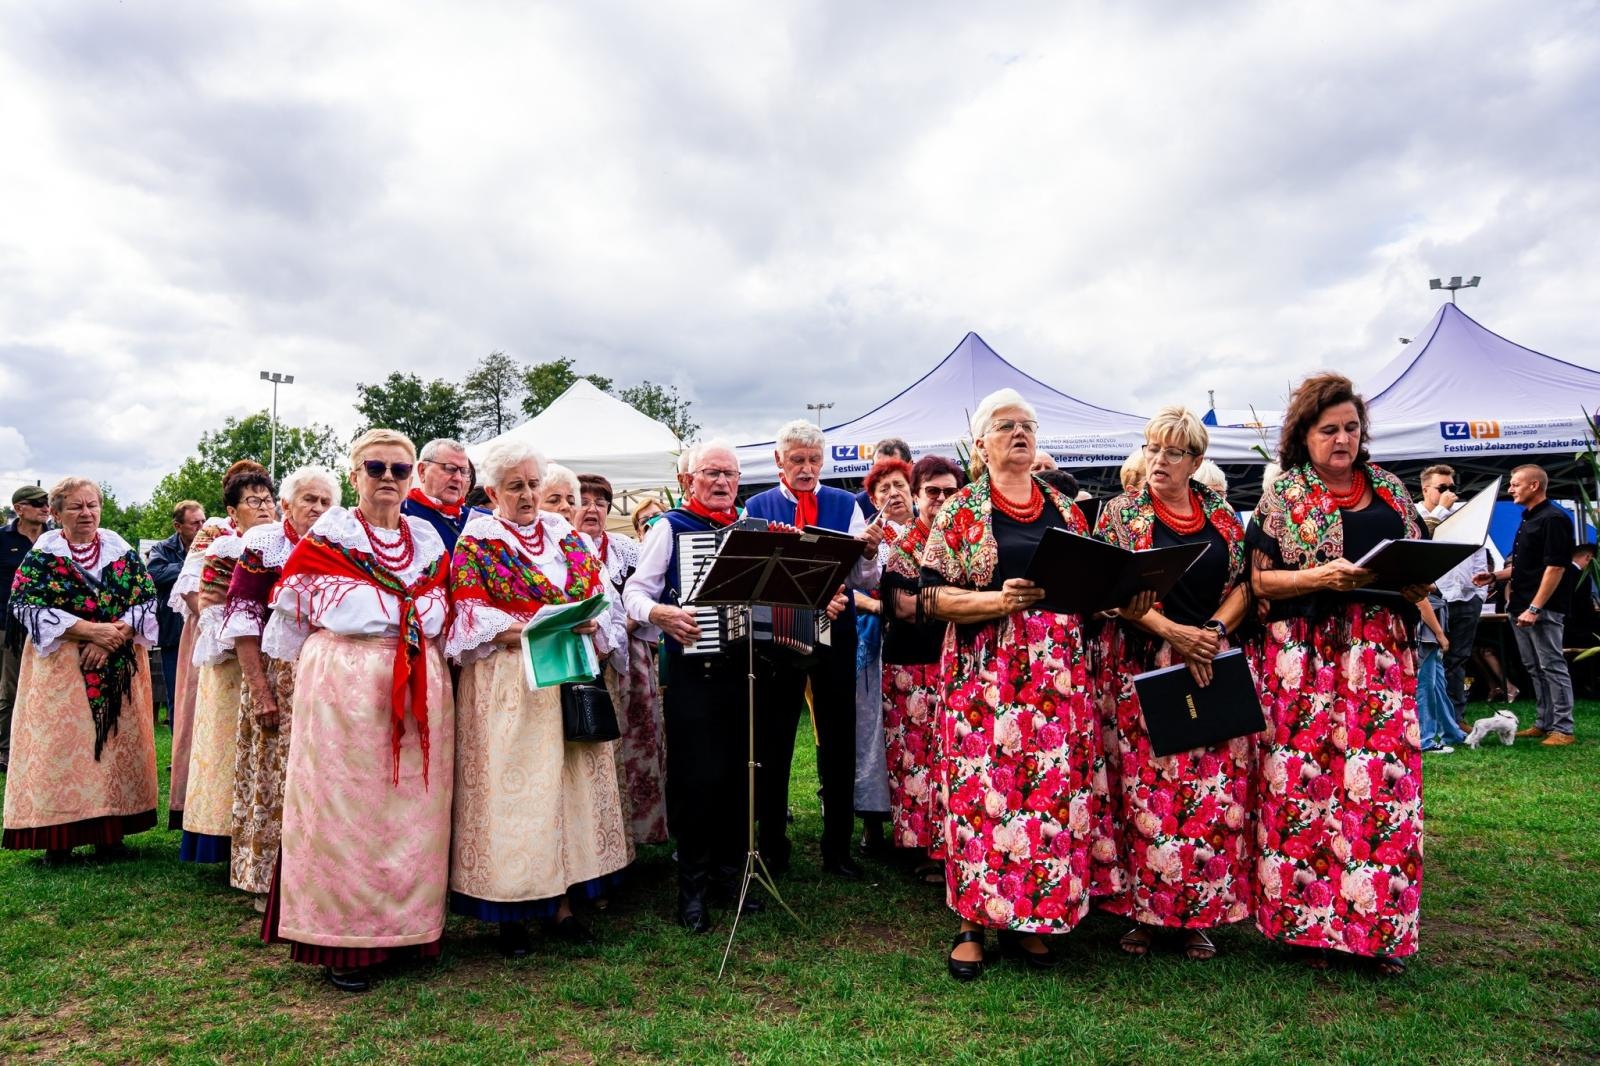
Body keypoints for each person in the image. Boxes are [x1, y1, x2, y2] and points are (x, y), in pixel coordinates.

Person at [918, 389, 1152, 980]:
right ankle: (972, 923)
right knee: (984, 797)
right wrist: (996, 600)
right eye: (1005, 426)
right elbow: (930, 597)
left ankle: (1030, 919)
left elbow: (1090, 583)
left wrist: (1122, 595)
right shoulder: (962, 510)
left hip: (1058, 676)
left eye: (1027, 425)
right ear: (981, 444)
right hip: (987, 676)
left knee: (1046, 797)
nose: (1020, 433)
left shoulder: (1065, 508)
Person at [1246, 372, 1428, 975]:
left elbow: (1418, 555)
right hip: (1307, 652)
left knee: (1381, 787)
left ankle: (1379, 933)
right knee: (1306, 786)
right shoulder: (1285, 494)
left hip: (1378, 653)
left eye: (1351, 428)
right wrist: (1317, 578)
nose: (1343, 439)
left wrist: (1418, 579)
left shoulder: (1393, 491)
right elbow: (1258, 581)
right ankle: (1310, 930)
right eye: (1329, 430)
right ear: (1304, 435)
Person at [260, 429, 454, 992]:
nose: (389, 479)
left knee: (411, 809)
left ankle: (407, 928)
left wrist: (405, 610)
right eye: (376, 468)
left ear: (413, 475)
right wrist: (402, 608)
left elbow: (442, 606)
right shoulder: (332, 534)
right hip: (345, 683)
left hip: (419, 677)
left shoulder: (427, 538)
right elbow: (317, 602)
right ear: (354, 475)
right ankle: (342, 941)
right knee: (346, 808)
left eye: (400, 469)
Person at [446, 443, 631, 955]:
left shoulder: (564, 535)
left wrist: (589, 619)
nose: (527, 495)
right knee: (517, 796)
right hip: (511, 682)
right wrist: (531, 627)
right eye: (515, 487)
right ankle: (512, 911)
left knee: (567, 790)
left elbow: (597, 591)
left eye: (532, 484)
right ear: (492, 493)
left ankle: (563, 903)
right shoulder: (477, 543)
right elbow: (468, 616)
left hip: (568, 673)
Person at [1093, 406, 1254, 963]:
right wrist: (1173, 634)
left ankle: (1196, 915)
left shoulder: (1224, 518)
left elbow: (1246, 586)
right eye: (1152, 448)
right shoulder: (1121, 513)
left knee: (1211, 795)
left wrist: (1210, 632)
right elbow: (1110, 589)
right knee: (1145, 794)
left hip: (1210, 660)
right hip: (1143, 663)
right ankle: (1141, 912)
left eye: (1172, 452)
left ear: (1197, 460)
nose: (1158, 460)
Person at [622, 440, 759, 932]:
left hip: (745, 672)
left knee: (739, 778)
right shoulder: (670, 529)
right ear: (688, 481)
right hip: (694, 673)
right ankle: (693, 888)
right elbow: (634, 593)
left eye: (730, 474)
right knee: (697, 780)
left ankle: (730, 877)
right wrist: (660, 613)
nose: (722, 482)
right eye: (711, 473)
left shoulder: (751, 530)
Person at [744, 421, 884, 880]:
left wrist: (866, 556)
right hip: (780, 638)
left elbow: (866, 582)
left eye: (813, 460)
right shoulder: (756, 506)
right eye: (797, 460)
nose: (806, 468)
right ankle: (772, 846)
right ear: (780, 462)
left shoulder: (846, 504)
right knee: (774, 738)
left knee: (838, 736)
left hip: (836, 630)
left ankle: (837, 848)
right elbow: (755, 578)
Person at [2, 478, 159, 862]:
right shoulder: (44, 554)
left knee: (111, 750)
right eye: (76, 507)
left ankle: (111, 836)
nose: (87, 513)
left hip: (116, 663)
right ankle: (60, 841)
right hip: (61, 670)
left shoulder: (119, 549)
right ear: (55, 514)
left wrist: (113, 636)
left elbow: (146, 598)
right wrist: (89, 632)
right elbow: (25, 605)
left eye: (93, 505)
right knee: (64, 750)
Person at [219, 466, 337, 910]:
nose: (318, 509)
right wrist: (261, 690)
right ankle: (269, 882)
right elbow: (244, 623)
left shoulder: (338, 545)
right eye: (309, 499)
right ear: (285, 505)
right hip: (276, 675)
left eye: (326, 502)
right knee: (275, 777)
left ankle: (318, 875)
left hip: (327, 677)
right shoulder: (264, 544)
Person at [180, 466, 278, 865]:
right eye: (253, 502)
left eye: (269, 500)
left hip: (275, 659)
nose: (264, 508)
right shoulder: (224, 546)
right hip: (231, 664)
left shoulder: (282, 544)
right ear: (233, 512)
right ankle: (223, 836)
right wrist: (247, 639)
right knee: (228, 749)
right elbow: (210, 604)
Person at [879, 455, 964, 883]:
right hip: (911, 665)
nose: (942, 499)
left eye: (950, 491)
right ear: (917, 496)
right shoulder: (905, 546)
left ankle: (954, 843)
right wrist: (964, 607)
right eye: (933, 492)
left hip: (959, 663)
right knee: (916, 758)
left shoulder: (970, 540)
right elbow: (901, 607)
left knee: (954, 757)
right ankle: (923, 848)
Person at [579, 473, 668, 847]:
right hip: (587, 657)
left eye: (601, 502)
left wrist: (627, 622)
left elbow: (649, 589)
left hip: (632, 657)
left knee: (641, 740)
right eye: (583, 500)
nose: (592, 508)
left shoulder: (623, 548)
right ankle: (601, 838)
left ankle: (642, 832)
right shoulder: (564, 548)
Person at [1475, 465, 1576, 745]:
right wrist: (1495, 575)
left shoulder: (1554, 518)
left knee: (1552, 665)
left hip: (1540, 607)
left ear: (1534, 486)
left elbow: (1555, 567)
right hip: (1519, 604)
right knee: (1534, 666)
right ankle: (1544, 723)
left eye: (1515, 484)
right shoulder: (1530, 518)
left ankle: (1563, 729)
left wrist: (1535, 608)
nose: (1510, 489)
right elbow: (1524, 566)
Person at [851, 458, 913, 853]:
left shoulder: (932, 532)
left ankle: (915, 820)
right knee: (873, 732)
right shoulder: (868, 535)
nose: (893, 494)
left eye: (899, 486)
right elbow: (845, 587)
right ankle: (873, 823)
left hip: (919, 646)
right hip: (874, 645)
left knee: (913, 735)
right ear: (873, 498)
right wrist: (878, 608)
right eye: (883, 489)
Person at [1423, 465, 1492, 724]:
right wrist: (1440, 510)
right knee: (1429, 661)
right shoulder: (1418, 515)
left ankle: (1455, 717)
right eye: (1442, 488)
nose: (1449, 493)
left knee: (1458, 660)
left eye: (1452, 488)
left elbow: (1478, 554)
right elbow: (1422, 542)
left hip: (1465, 598)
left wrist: (1479, 595)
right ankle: (1430, 719)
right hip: (1432, 599)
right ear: (1425, 489)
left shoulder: (1465, 517)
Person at [1, 485, 50, 774]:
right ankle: (6, 751)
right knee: (10, 689)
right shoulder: (3, 539)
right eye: (37, 503)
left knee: (44, 688)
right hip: (8, 626)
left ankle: (40, 746)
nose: (45, 508)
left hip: (51, 627)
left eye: (46, 503)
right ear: (20, 508)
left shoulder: (56, 538)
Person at [146, 501, 205, 725]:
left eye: (203, 522)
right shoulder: (162, 549)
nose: (201, 528)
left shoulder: (217, 544)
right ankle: (177, 756)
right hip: (174, 632)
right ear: (178, 526)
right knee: (177, 693)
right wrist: (193, 565)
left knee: (204, 694)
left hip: (205, 629)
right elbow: (153, 575)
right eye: (194, 524)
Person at [402, 438, 479, 550]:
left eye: (463, 471)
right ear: (422, 471)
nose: (458, 478)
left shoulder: (475, 519)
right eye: (450, 468)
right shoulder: (400, 513)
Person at [856, 438, 913, 520]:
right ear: (874, 501)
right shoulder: (859, 503)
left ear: (910, 466)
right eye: (879, 468)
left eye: (894, 466)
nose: (893, 493)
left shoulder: (929, 498)